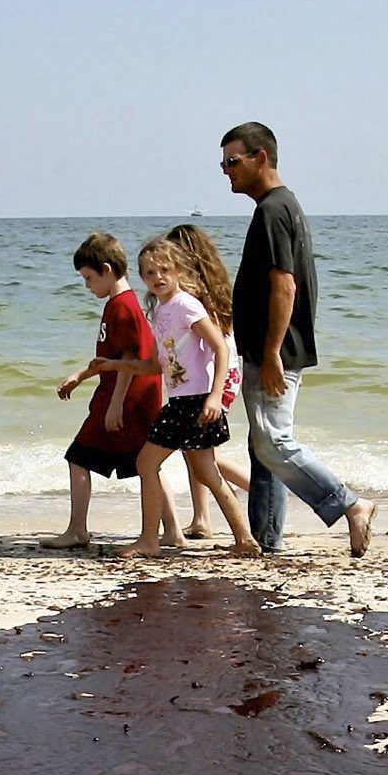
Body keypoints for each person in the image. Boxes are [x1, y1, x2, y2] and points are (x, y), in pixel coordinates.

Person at [219, 123, 378, 557]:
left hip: (276, 350)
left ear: (261, 158)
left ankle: (351, 504)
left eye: (233, 161)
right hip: (267, 347)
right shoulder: (279, 206)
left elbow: (284, 285)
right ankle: (266, 540)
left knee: (273, 441)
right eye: (223, 163)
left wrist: (271, 352)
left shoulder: (274, 209)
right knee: (262, 446)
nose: (226, 171)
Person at [118, 234, 258, 558]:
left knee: (146, 462)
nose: (159, 278)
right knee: (207, 473)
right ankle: (245, 538)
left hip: (194, 401)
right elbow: (157, 364)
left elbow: (220, 347)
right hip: (182, 399)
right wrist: (114, 364)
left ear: (178, 270)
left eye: (165, 270)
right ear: (142, 278)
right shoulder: (160, 311)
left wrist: (214, 397)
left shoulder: (186, 305)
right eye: (150, 273)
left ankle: (149, 540)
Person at [45, 231, 163, 549]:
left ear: (107, 270)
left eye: (88, 278)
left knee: (78, 456)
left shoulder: (121, 306)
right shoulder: (122, 303)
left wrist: (114, 404)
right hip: (134, 396)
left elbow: (127, 357)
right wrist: (80, 376)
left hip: (125, 397)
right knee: (145, 463)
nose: (87, 286)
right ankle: (173, 531)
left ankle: (77, 530)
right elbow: (111, 356)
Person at [164, 220, 252, 539]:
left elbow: (213, 345)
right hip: (224, 376)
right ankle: (202, 517)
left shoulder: (193, 296)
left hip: (214, 380)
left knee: (202, 454)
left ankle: (259, 492)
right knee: (195, 449)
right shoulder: (211, 288)